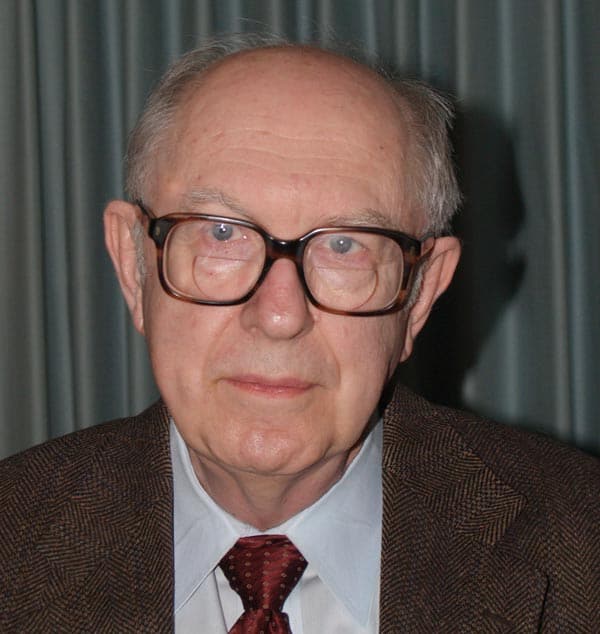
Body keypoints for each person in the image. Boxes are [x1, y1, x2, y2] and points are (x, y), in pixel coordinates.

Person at [1, 34, 598, 633]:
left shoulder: (583, 543)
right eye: (222, 234)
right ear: (135, 267)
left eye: (344, 245)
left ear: (418, 297)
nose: (280, 315)